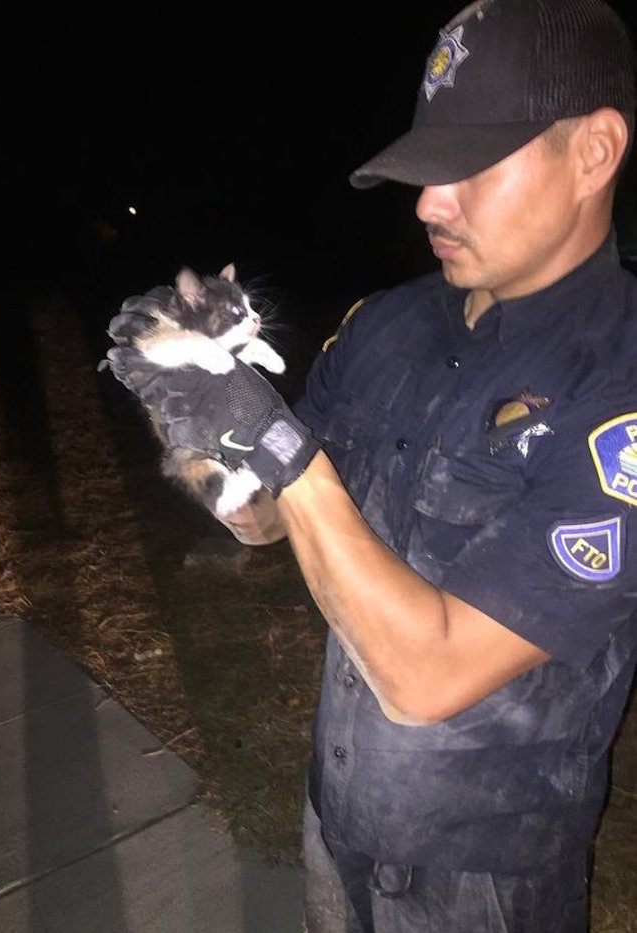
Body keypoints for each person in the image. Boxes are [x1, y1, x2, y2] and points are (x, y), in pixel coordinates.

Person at [104, 0, 637, 929]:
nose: (431, 202)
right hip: (335, 811)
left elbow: (424, 676)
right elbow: (266, 515)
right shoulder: (387, 324)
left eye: (473, 165)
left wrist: (275, 440)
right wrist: (191, 408)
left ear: (593, 151)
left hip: (487, 873)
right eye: (429, 170)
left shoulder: (618, 383)